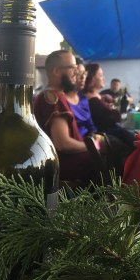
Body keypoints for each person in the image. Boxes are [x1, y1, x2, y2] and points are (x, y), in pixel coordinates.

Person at [33, 50, 98, 186]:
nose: (77, 72)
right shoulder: (53, 98)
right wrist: (93, 146)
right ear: (56, 71)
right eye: (72, 68)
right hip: (67, 170)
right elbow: (62, 144)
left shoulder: (52, 95)